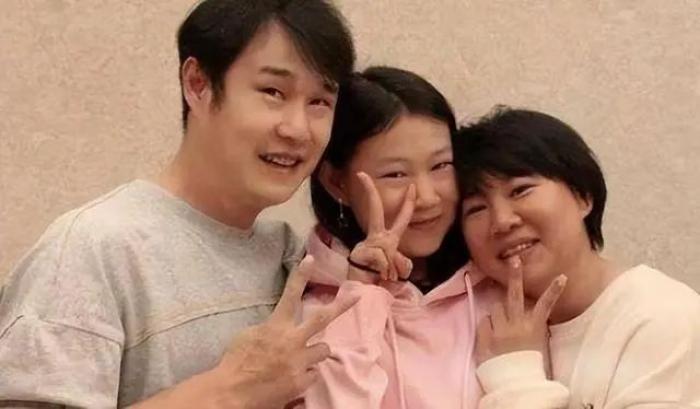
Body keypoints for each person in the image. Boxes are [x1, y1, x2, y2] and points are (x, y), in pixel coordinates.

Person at [0, 1, 358, 407]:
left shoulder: (290, 254)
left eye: (319, 102)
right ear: (198, 84)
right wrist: (227, 391)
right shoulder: (93, 250)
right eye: (273, 92)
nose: (297, 129)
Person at [455, 106, 700, 408]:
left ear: (583, 196)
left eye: (520, 191)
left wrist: (515, 376)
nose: (502, 221)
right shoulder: (479, 331)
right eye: (476, 208)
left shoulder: (659, 316)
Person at [301, 66, 484, 409]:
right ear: (337, 183)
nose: (426, 197)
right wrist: (361, 292)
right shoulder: (316, 314)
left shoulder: (493, 281)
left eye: (441, 166)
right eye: (396, 174)